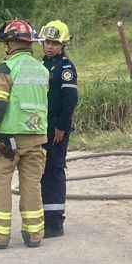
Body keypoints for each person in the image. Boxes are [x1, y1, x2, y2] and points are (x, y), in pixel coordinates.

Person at [0, 19, 50, 249]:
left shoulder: (6, 69)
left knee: (0, 185)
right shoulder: (42, 69)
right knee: (32, 185)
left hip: (6, 142)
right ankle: (34, 234)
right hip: (36, 138)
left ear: (10, 43)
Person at [38, 20, 79, 238]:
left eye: (54, 42)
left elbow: (70, 100)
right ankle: (45, 219)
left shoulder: (65, 68)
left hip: (56, 128)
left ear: (63, 44)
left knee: (54, 171)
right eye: (47, 42)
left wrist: (62, 127)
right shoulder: (44, 64)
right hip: (43, 126)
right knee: (43, 172)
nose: (49, 46)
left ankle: (55, 224)